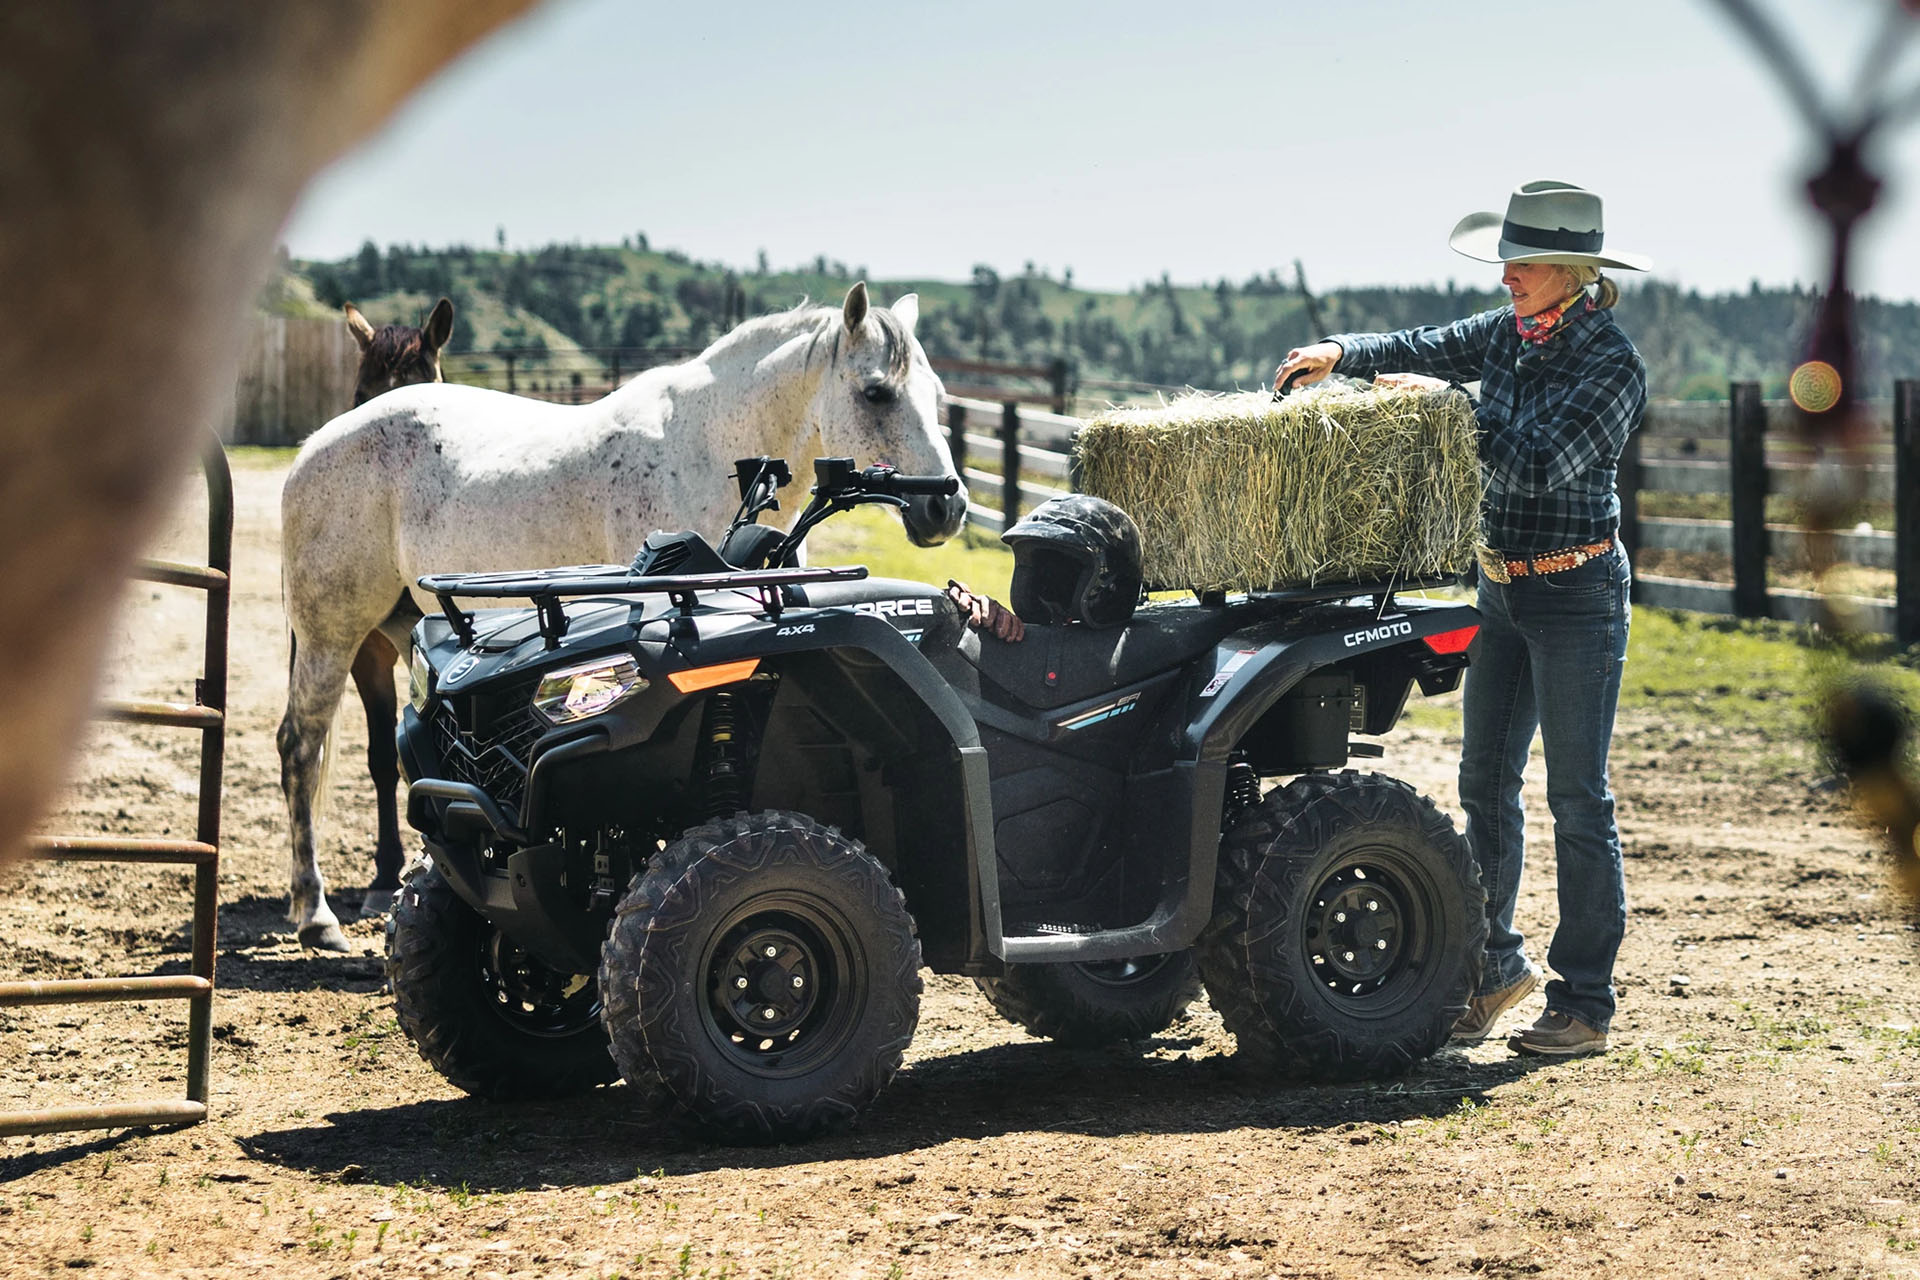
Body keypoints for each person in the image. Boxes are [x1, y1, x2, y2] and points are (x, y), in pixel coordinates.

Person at [1272, 180, 1650, 1057]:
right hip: (1505, 590)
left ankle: (1585, 1004)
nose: (1508, 276)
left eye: (1524, 263)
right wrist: (1341, 351)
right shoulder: (1509, 334)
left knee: (1577, 798)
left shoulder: (1611, 365)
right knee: (1484, 784)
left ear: (1573, 271)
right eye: (1507, 260)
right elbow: (1423, 344)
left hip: (1577, 595)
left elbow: (1540, 467)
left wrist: (1452, 411)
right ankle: (1494, 967)